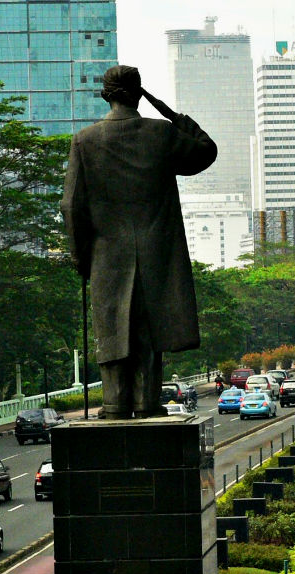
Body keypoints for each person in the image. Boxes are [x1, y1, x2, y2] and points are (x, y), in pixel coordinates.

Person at [62, 65, 217, 419]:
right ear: (138, 94)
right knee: (147, 330)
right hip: (155, 253)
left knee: (112, 329)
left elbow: (71, 205)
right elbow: (206, 150)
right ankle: (146, 402)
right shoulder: (161, 134)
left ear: (106, 94)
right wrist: (172, 115)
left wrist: (79, 255)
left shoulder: (85, 141)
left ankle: (114, 404)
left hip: (106, 256)